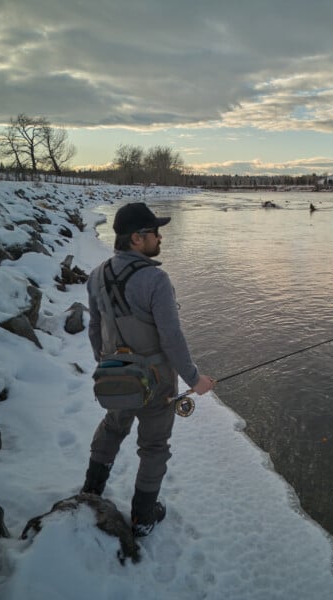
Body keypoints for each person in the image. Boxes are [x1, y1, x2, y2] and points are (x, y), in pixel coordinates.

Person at [80, 202, 215, 536]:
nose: (160, 238)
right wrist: (195, 379)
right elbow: (171, 339)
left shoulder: (96, 275)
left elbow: (95, 331)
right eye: (155, 232)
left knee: (112, 429)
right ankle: (143, 516)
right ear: (137, 239)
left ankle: (90, 492)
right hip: (157, 385)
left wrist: (108, 368)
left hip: (114, 378)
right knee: (154, 447)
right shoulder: (156, 279)